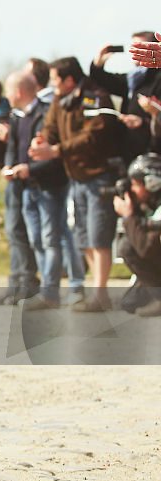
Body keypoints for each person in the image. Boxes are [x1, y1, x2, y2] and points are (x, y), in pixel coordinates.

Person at [30, 57, 123, 312]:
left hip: (98, 175)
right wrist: (41, 142)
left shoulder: (95, 97)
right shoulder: (60, 100)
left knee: (99, 236)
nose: (52, 85)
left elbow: (93, 136)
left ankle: (101, 294)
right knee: (85, 238)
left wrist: (57, 150)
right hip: (77, 178)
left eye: (56, 80)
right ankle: (98, 293)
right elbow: (50, 127)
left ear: (69, 80)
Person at [1, 72, 69, 311]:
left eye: (8, 91)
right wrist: (9, 166)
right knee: (36, 240)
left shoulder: (47, 113)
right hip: (26, 187)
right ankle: (45, 292)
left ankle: (51, 292)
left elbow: (52, 153)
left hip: (48, 185)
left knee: (51, 240)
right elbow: (12, 146)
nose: (6, 96)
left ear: (19, 92)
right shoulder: (16, 116)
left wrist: (29, 168)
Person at [112, 154, 161, 316]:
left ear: (152, 182)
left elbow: (145, 248)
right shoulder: (152, 203)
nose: (132, 189)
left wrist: (128, 216)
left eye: (135, 184)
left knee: (126, 246)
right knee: (130, 303)